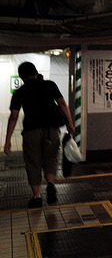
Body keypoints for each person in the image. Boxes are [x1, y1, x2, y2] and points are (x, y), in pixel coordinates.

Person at [4, 62, 75, 208]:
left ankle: (36, 197)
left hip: (32, 131)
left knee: (33, 162)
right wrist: (70, 122)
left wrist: (8, 140)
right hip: (52, 129)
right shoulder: (49, 85)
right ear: (36, 73)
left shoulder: (20, 92)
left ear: (21, 76)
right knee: (51, 159)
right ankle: (50, 184)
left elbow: (14, 115)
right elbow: (62, 103)